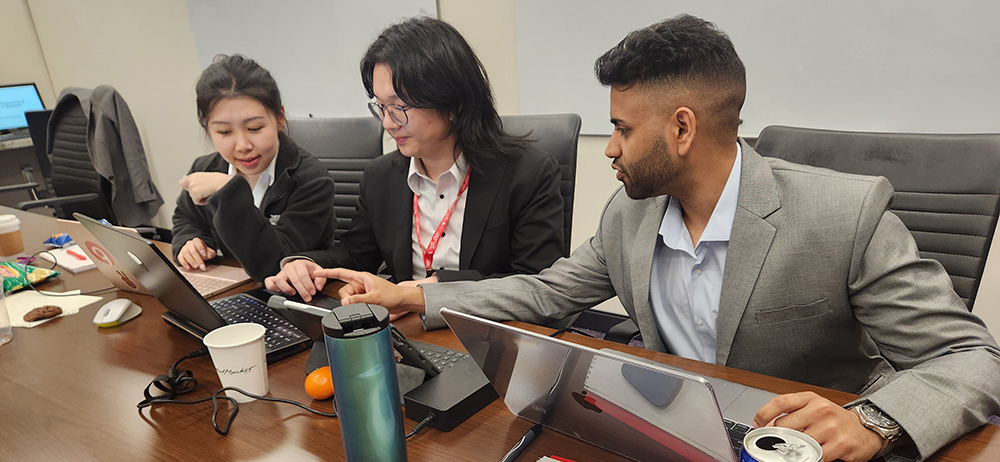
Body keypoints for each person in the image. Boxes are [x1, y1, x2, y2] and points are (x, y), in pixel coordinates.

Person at [315, 14, 1000, 462]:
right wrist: (415, 295)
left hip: (787, 447)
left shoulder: (841, 214)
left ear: (681, 128)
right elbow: (546, 291)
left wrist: (874, 422)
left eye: (621, 128)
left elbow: (972, 357)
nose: (608, 149)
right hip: (666, 432)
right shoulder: (629, 214)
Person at [264, 17, 564, 304]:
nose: (388, 123)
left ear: (454, 104)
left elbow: (535, 283)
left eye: (399, 107)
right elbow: (355, 253)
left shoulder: (527, 173)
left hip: (488, 333)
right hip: (407, 333)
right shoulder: (381, 176)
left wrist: (430, 291)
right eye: (381, 107)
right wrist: (308, 265)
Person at [172, 54, 336, 281]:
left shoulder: (311, 179)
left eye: (255, 128)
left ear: (279, 118)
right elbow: (187, 219)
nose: (242, 146)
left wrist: (229, 192)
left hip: (293, 296)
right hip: (234, 286)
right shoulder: (206, 168)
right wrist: (190, 243)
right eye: (224, 132)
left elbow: (275, 263)